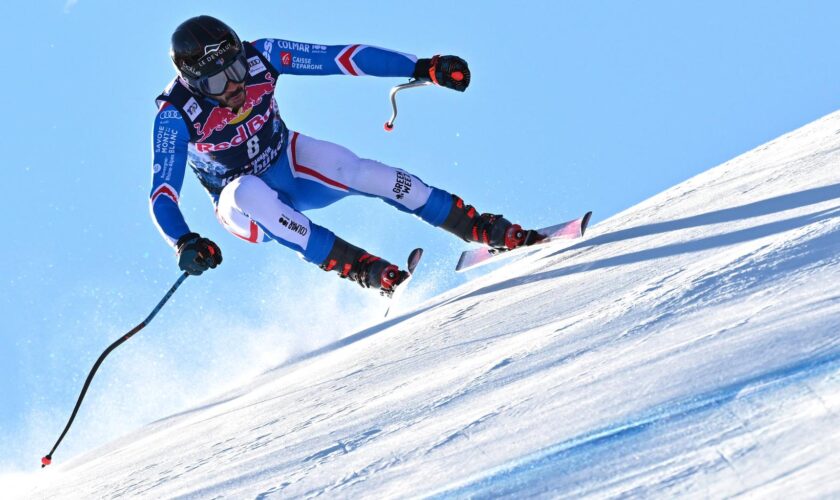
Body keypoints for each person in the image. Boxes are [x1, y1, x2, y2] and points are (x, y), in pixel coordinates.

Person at [151, 15, 542, 296]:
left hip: (286, 162)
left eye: (235, 68)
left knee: (362, 171)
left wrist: (424, 66)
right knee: (248, 190)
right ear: (195, 84)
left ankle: (478, 228)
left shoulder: (263, 56)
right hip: (242, 207)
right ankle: (363, 269)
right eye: (218, 81)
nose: (235, 84)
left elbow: (341, 58)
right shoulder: (174, 115)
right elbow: (163, 193)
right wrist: (183, 242)